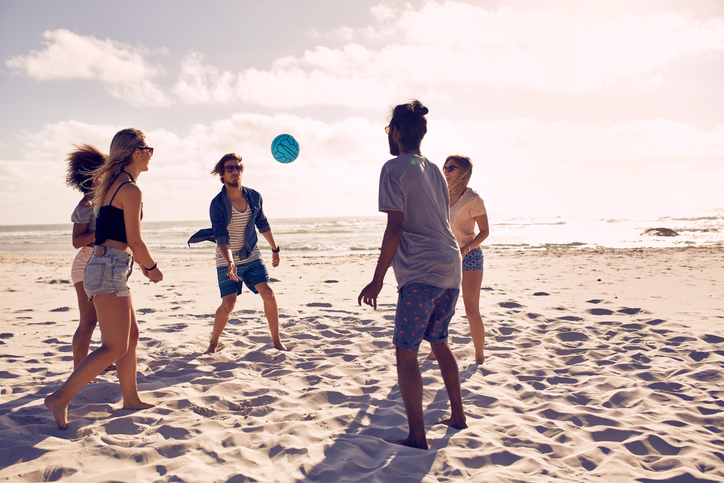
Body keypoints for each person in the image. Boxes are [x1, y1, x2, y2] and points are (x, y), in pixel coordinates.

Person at [358, 100, 467, 449]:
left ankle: (417, 437)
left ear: (399, 132)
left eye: (390, 129)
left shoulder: (393, 167)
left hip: (421, 273)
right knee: (439, 341)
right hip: (451, 267)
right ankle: (459, 416)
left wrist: (378, 278)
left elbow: (396, 227)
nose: (388, 134)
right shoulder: (434, 169)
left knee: (406, 351)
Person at [45, 128, 162, 429]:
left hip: (108, 266)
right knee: (113, 346)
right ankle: (60, 398)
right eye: (149, 148)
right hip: (109, 267)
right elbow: (134, 240)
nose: (152, 154)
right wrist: (152, 268)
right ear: (136, 152)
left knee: (130, 338)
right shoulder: (129, 190)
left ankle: (131, 397)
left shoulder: (111, 186)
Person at [188, 153, 287, 353]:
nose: (235, 172)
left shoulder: (254, 197)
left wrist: (275, 249)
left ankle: (276, 341)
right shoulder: (217, 204)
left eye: (238, 168)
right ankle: (213, 343)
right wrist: (230, 262)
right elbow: (222, 237)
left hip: (251, 255)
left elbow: (262, 223)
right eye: (230, 169)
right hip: (227, 259)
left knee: (268, 292)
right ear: (222, 174)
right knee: (228, 304)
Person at [426, 155, 489, 364]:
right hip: (444, 257)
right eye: (444, 167)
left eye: (451, 168)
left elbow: (484, 231)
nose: (446, 171)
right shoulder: (440, 195)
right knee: (438, 307)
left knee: (471, 309)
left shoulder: (473, 199)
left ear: (463, 172)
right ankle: (435, 351)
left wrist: (466, 248)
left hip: (469, 256)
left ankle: (479, 356)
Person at [65, 144, 112, 369]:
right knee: (88, 322)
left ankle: (102, 361)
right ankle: (79, 368)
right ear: (95, 175)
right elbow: (76, 241)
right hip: (85, 264)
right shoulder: (86, 203)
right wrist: (103, 234)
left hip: (102, 263)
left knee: (105, 319)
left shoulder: (106, 199)